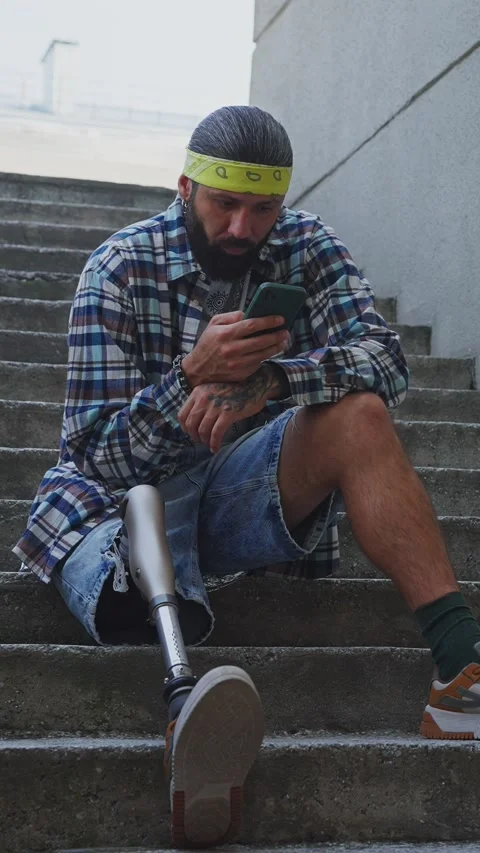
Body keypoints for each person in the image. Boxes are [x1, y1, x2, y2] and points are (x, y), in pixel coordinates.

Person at [13, 105, 480, 847]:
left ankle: (462, 669)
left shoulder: (305, 244)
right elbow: (93, 455)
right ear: (184, 189)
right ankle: (181, 708)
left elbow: (386, 363)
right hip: (113, 507)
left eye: (262, 209)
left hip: (234, 488)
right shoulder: (119, 265)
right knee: (131, 559)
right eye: (224, 204)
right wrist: (187, 378)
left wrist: (270, 380)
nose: (241, 228)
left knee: (358, 414)